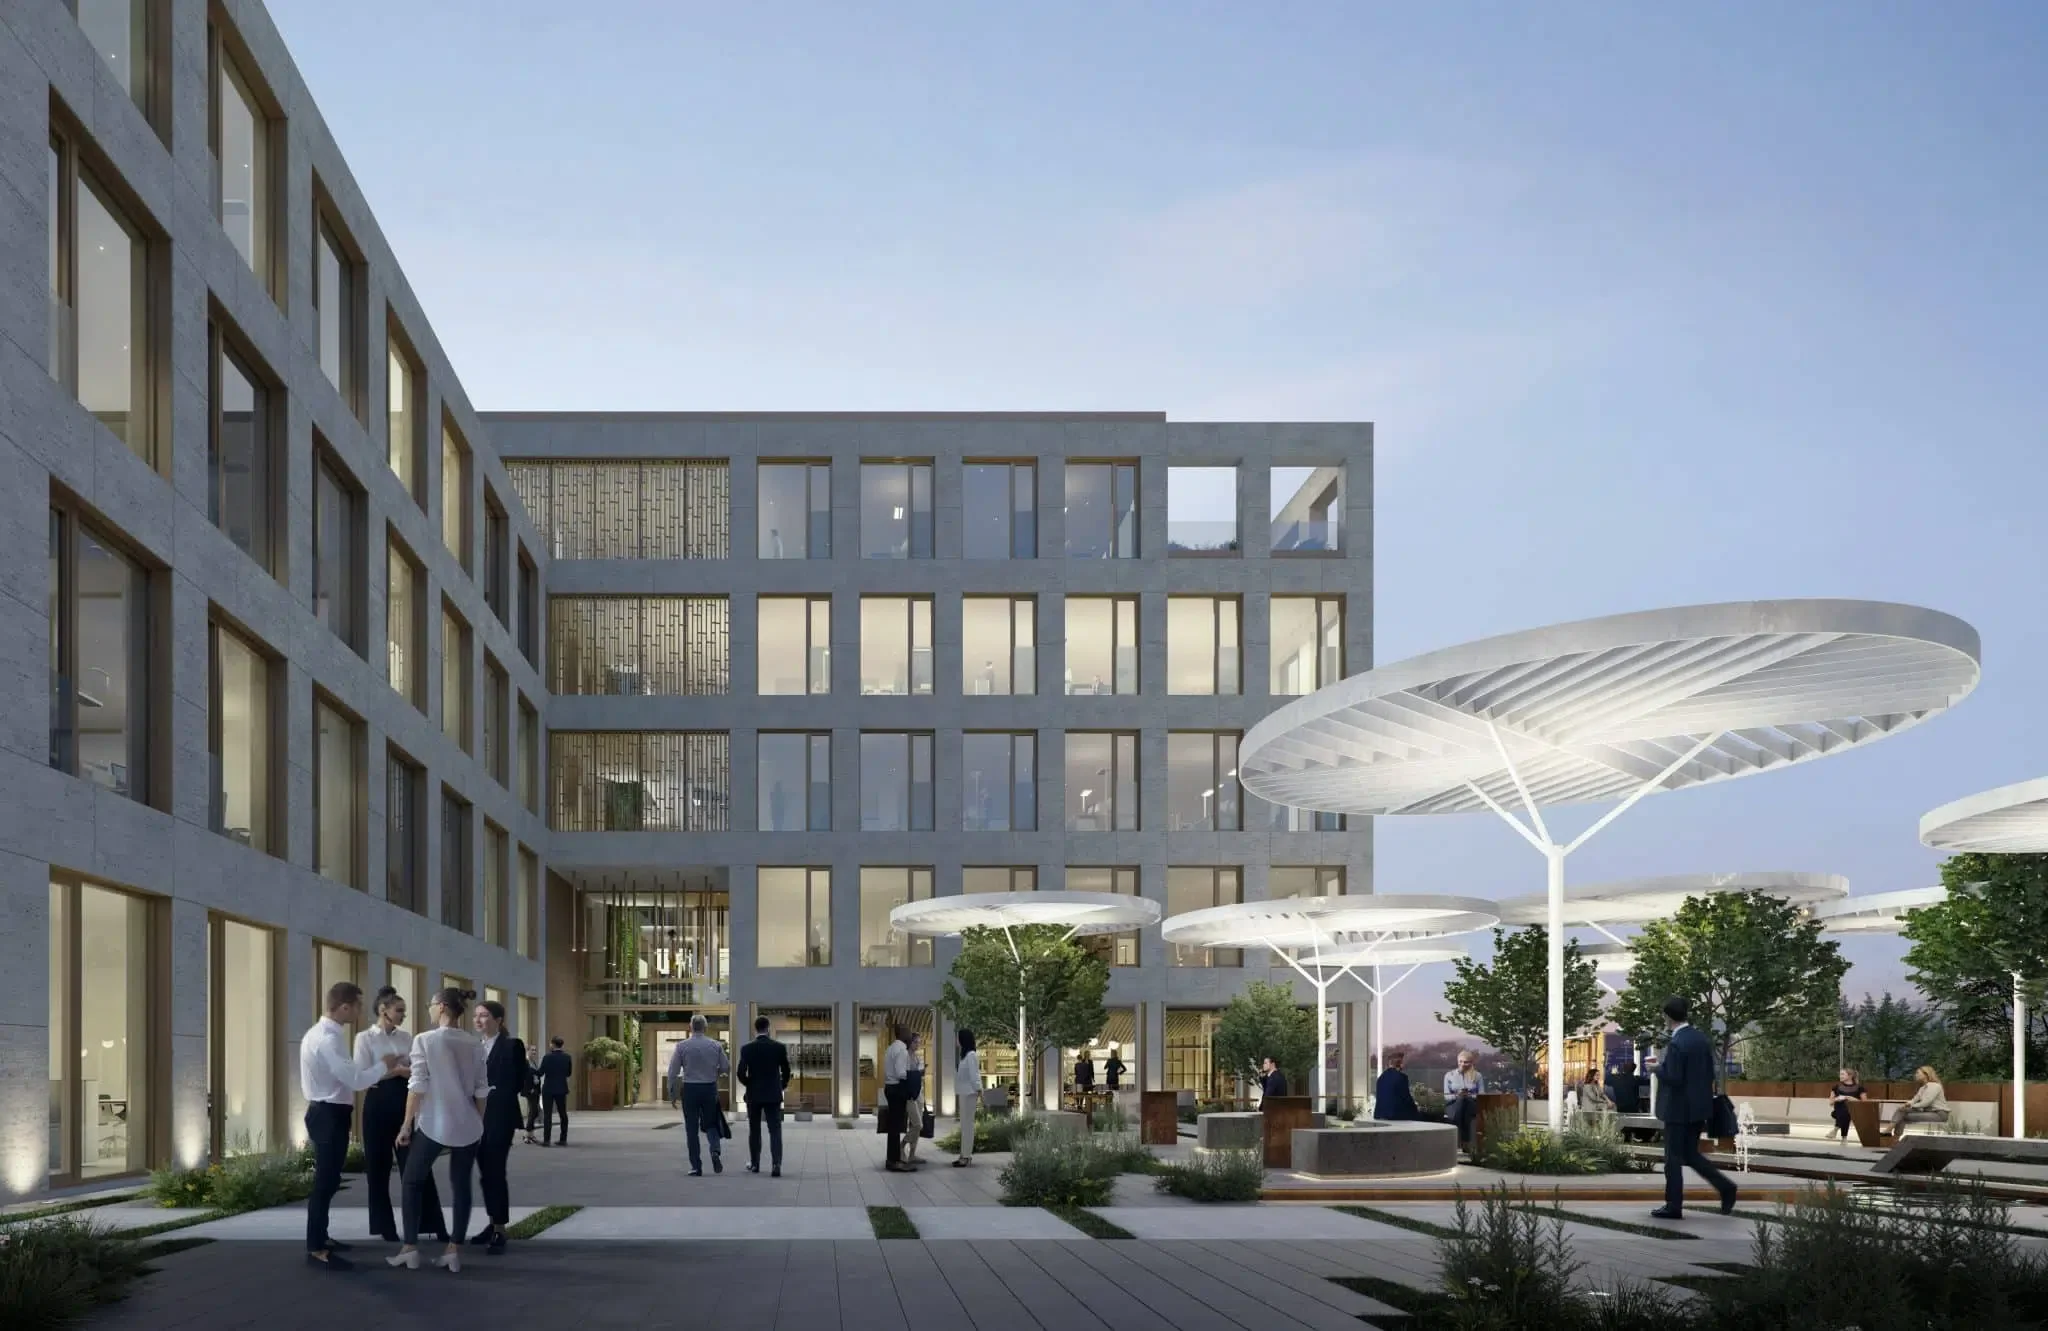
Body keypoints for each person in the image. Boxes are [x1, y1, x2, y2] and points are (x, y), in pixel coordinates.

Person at [300, 982, 405, 1270]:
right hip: (328, 1114)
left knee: (330, 1179)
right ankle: (316, 1247)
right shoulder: (328, 1039)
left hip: (328, 1112)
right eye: (358, 1005)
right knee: (325, 1181)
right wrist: (385, 1065)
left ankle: (321, 1237)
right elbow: (356, 1080)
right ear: (344, 1007)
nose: (361, 1011)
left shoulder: (323, 1034)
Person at [387, 988, 488, 1273]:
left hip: (434, 1123)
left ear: (442, 1006)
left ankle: (409, 1248)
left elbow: (417, 1086)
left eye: (430, 1005)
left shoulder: (425, 1040)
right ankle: (454, 1250)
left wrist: (406, 1125)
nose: (429, 1010)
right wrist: (478, 1122)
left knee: (412, 1181)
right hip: (467, 1123)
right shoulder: (474, 1043)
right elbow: (481, 1089)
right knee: (461, 1185)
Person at [356, 988, 447, 1244]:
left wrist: (394, 1068)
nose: (403, 1015)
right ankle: (384, 1226)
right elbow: (362, 1077)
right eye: (399, 1010)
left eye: (404, 1011)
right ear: (383, 1010)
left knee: (417, 1165)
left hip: (403, 1102)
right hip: (377, 1103)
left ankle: (432, 1224)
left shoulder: (407, 1037)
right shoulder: (364, 1038)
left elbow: (417, 1068)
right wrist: (395, 1070)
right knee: (378, 1167)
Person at [1651, 995, 1736, 1220]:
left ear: (1668, 1017)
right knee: (1690, 1154)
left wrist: (1657, 1069)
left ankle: (1673, 1205)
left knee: (1672, 1159)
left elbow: (1674, 1077)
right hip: (1699, 1108)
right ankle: (1726, 1187)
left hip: (1677, 1109)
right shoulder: (1700, 1038)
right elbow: (1708, 1073)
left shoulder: (1677, 1043)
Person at [468, 1001, 525, 1255]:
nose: (478, 1020)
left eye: (484, 1015)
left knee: (495, 1170)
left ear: (499, 1020)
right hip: (475, 1118)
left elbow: (519, 1080)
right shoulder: (474, 1047)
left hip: (499, 1117)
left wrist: (495, 1093)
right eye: (476, 1016)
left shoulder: (512, 1046)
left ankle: (500, 1227)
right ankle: (493, 1222)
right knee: (485, 1172)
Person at [667, 1014, 729, 1176]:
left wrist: (672, 1092)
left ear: (690, 1027)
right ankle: (715, 1150)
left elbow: (673, 1071)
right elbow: (725, 1066)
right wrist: (715, 1073)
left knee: (691, 1128)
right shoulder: (715, 1045)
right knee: (711, 1123)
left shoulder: (682, 1046)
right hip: (709, 1088)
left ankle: (696, 1166)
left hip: (690, 1089)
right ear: (705, 1028)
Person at [736, 1016, 791, 1176]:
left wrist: (749, 1084)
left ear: (755, 1029)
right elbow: (786, 1070)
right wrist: (781, 1085)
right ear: (768, 1028)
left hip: (754, 1094)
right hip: (773, 1094)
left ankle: (755, 1164)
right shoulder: (779, 1047)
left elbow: (740, 1072)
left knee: (754, 1129)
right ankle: (776, 1164)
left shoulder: (747, 1049)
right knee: (775, 1130)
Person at [882, 1025, 913, 1172]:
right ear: (902, 1033)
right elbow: (901, 1073)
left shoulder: (891, 1048)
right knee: (896, 1126)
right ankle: (894, 1161)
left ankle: (893, 1159)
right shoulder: (902, 1050)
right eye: (908, 1031)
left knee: (893, 1126)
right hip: (897, 1088)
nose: (910, 1034)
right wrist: (914, 1075)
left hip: (889, 1087)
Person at [1890, 1066, 1950, 1137]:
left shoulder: (1935, 1086)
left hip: (1939, 1115)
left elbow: (1926, 1103)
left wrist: (1910, 1106)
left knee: (1902, 1114)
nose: (1915, 1075)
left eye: (1917, 1073)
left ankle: (1892, 1134)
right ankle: (1893, 1135)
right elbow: (1914, 1099)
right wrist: (1907, 1104)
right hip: (1928, 1112)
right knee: (1901, 1111)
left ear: (1926, 1074)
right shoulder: (1922, 1088)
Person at [1444, 1050, 1483, 1151]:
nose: (1462, 1064)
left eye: (1466, 1062)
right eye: (1460, 1061)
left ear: (1471, 1062)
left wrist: (1469, 1095)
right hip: (1453, 1105)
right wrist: (1458, 1095)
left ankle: (1458, 1140)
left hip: (1471, 1104)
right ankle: (1465, 1141)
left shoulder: (1477, 1076)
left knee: (1465, 1100)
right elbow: (1446, 1097)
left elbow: (1481, 1095)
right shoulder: (1449, 1075)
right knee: (1461, 1100)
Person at [537, 1037, 573, 1146]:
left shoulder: (547, 1057)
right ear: (562, 1045)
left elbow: (540, 1072)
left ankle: (546, 1140)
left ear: (553, 1044)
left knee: (547, 1114)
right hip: (561, 1088)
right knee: (563, 1113)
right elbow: (568, 1073)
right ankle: (563, 1139)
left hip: (548, 1088)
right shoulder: (567, 1057)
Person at [954, 1029, 981, 1167]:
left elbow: (974, 1074)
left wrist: (978, 1089)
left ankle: (966, 1156)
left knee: (968, 1125)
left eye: (958, 1037)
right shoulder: (964, 1056)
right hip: (964, 1093)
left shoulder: (971, 1055)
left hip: (970, 1093)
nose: (956, 1040)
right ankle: (963, 1154)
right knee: (964, 1125)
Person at [902, 1033, 928, 1166]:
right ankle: (902, 1145)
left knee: (916, 1126)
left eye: (919, 1042)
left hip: (919, 1093)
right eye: (916, 1042)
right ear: (910, 1042)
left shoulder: (917, 1057)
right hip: (910, 1094)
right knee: (918, 1124)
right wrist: (918, 1073)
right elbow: (906, 1074)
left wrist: (921, 1072)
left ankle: (912, 1154)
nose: (918, 1045)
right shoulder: (905, 1056)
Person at [1373, 1049, 1417, 1121]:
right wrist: (1416, 1109)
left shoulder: (1381, 1078)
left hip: (1380, 1114)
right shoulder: (1401, 1077)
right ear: (1401, 1064)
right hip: (1396, 1115)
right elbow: (1406, 1098)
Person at [1828, 1067, 1866, 1142]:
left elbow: (1864, 1103)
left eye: (1842, 1074)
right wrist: (1837, 1099)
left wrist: (1852, 1098)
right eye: (1840, 1074)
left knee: (1847, 1109)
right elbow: (1830, 1103)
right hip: (1839, 1112)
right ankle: (1843, 1137)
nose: (1840, 1076)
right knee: (1845, 1110)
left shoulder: (1859, 1087)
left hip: (1854, 1111)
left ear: (1850, 1076)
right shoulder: (1836, 1087)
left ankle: (1836, 1129)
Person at [521, 1046, 543, 1145]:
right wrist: (530, 1088)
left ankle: (531, 1134)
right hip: (530, 1091)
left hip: (536, 1090)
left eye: (535, 1050)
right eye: (532, 1050)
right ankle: (526, 1134)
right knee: (534, 1111)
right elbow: (524, 1077)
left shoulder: (533, 1062)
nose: (534, 1052)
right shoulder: (525, 1062)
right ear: (527, 1051)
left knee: (534, 1112)